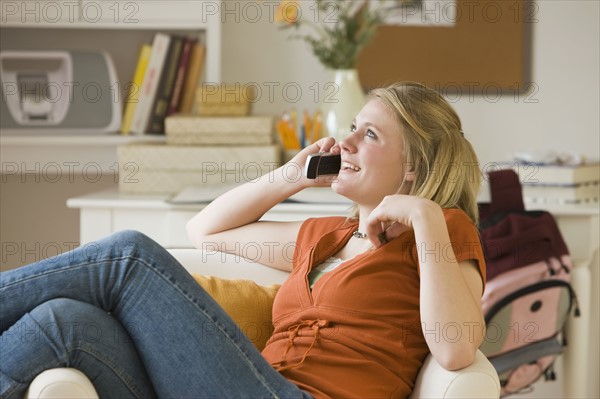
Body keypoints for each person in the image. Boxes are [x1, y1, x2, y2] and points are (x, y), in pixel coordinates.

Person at [0, 82, 486, 399]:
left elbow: (455, 350)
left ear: (413, 169)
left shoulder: (441, 233)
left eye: (372, 135)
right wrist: (289, 176)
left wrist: (424, 218)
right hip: (258, 386)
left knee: (129, 254)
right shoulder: (323, 237)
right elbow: (207, 232)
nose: (348, 141)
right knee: (65, 322)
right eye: (352, 128)